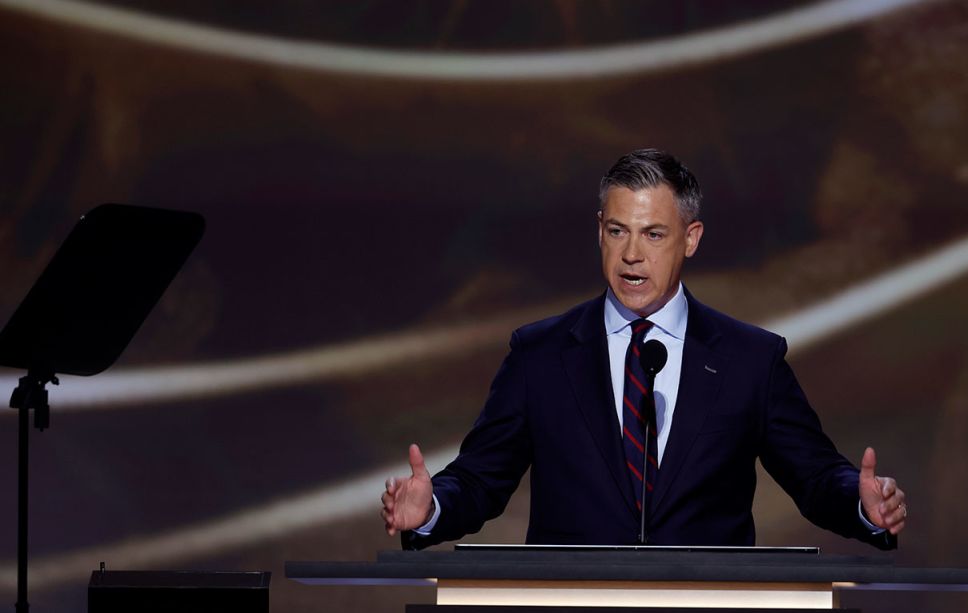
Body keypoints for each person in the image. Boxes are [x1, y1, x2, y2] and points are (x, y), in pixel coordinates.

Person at [381, 149, 906, 548]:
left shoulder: (750, 360)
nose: (632, 255)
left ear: (691, 238)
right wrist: (432, 509)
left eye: (654, 234)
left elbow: (814, 475)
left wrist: (861, 504)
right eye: (618, 231)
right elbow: (480, 478)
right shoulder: (539, 354)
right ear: (599, 233)